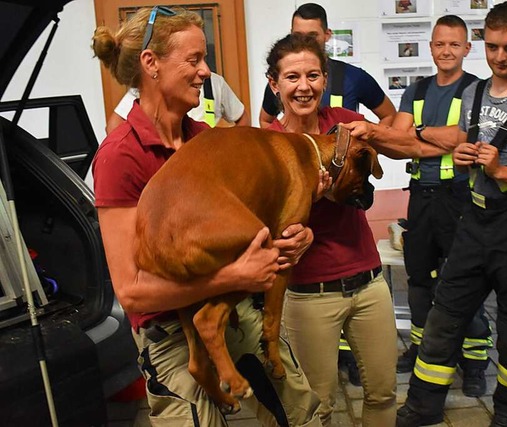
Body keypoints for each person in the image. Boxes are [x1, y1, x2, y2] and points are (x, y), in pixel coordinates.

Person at [91, 7, 322, 426]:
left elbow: (252, 229)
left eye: (205, 59)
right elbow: (133, 292)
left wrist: (290, 241)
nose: (206, 71)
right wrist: (234, 278)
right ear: (151, 63)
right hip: (169, 335)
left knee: (300, 415)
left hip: (234, 312)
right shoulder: (119, 156)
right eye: (194, 60)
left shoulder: (204, 138)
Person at [394, 3, 507, 426]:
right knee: (443, 317)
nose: (500, 57)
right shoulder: (474, 93)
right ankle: (423, 405)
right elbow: (468, 148)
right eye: (492, 47)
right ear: (483, 43)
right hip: (474, 220)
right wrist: (466, 155)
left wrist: (501, 170)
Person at [341, 14, 493, 395]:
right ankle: (422, 347)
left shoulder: (476, 90)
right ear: (430, 47)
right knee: (420, 281)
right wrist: (434, 140)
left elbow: (465, 137)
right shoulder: (417, 91)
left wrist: (418, 135)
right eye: (440, 43)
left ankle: (473, 361)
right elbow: (395, 143)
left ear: (467, 48)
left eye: (454, 44)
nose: (446, 51)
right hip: (421, 197)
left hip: (461, 196)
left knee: (464, 282)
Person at [265, 33, 398, 426]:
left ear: (325, 79)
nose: (303, 87)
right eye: (292, 78)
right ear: (275, 84)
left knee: (383, 392)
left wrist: (375, 135)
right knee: (317, 406)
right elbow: (268, 224)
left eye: (312, 76)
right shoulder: (268, 144)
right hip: (310, 295)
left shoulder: (346, 125)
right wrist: (312, 197)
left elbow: (394, 144)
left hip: (369, 282)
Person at [258, 3, 396, 129]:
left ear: (327, 35)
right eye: (297, 36)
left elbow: (388, 115)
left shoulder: (354, 77)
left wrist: (363, 150)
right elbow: (266, 120)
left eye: (312, 36)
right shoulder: (281, 81)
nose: (304, 86)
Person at [106, 73, 250, 134]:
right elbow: (113, 126)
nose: (204, 69)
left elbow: (242, 118)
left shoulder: (214, 82)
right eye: (193, 60)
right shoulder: (149, 85)